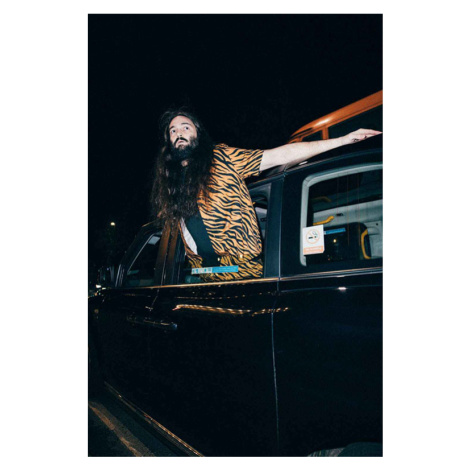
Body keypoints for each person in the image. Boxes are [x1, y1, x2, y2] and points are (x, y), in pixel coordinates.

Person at [150, 107, 381, 282]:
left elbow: (278, 156)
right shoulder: (171, 185)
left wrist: (342, 140)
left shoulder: (221, 159)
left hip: (244, 276)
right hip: (206, 279)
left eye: (185, 127)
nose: (179, 133)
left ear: (198, 133)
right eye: (173, 130)